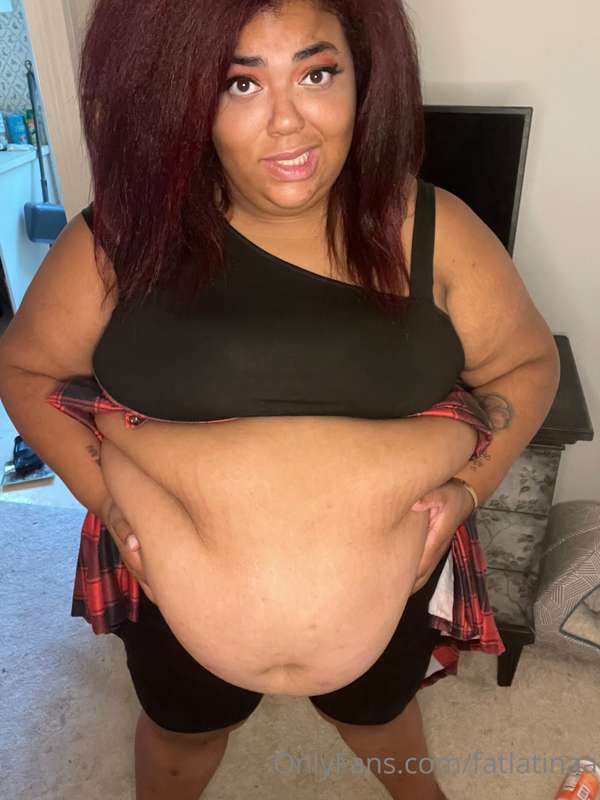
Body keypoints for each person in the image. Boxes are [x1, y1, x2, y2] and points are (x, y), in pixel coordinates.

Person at [0, 1, 560, 798]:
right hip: (169, 598)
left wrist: (470, 489)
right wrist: (108, 502)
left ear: (363, 77)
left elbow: (527, 365)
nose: (289, 122)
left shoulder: (432, 229)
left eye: (317, 74)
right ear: (182, 96)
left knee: (384, 721)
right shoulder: (121, 238)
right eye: (240, 84)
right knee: (183, 735)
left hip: (390, 592)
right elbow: (25, 371)